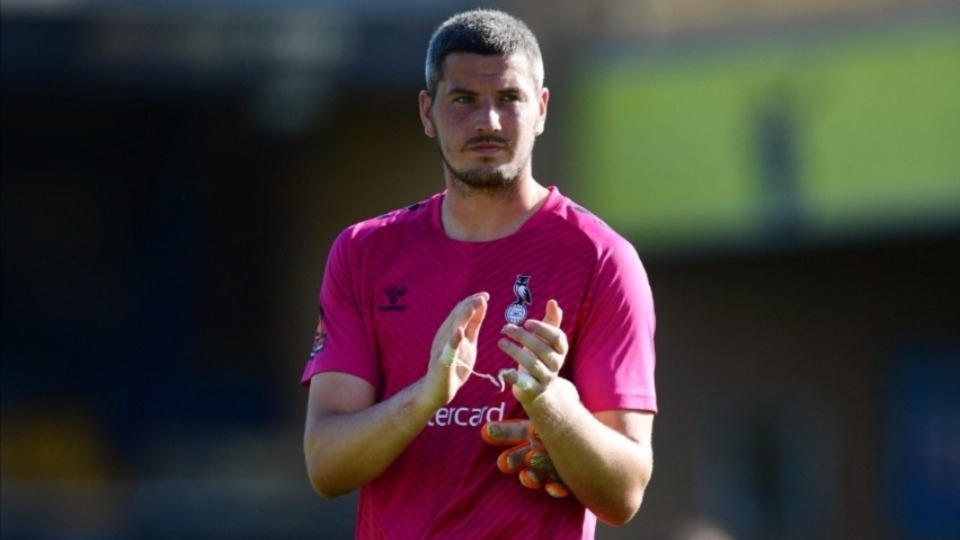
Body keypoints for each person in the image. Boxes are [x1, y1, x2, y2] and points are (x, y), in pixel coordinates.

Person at [301, 9, 656, 539]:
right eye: (464, 100)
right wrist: (426, 397)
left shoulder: (602, 258)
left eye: (509, 99)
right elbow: (325, 467)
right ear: (427, 112)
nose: (488, 121)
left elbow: (625, 492)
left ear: (540, 108)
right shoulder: (364, 253)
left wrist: (552, 406)